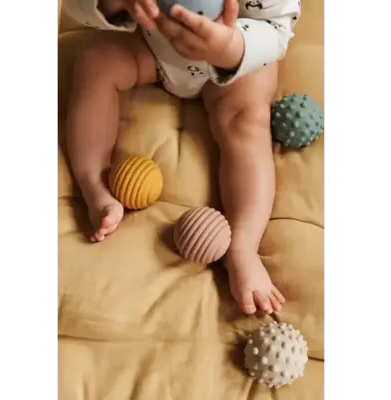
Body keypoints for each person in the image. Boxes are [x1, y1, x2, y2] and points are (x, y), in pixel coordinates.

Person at [62, 0, 301, 315]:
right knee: (95, 60)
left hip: (237, 66)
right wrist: (112, 3)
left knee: (248, 121)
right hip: (155, 48)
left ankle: (244, 246)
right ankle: (94, 185)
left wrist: (232, 48)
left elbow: (278, 30)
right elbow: (77, 8)